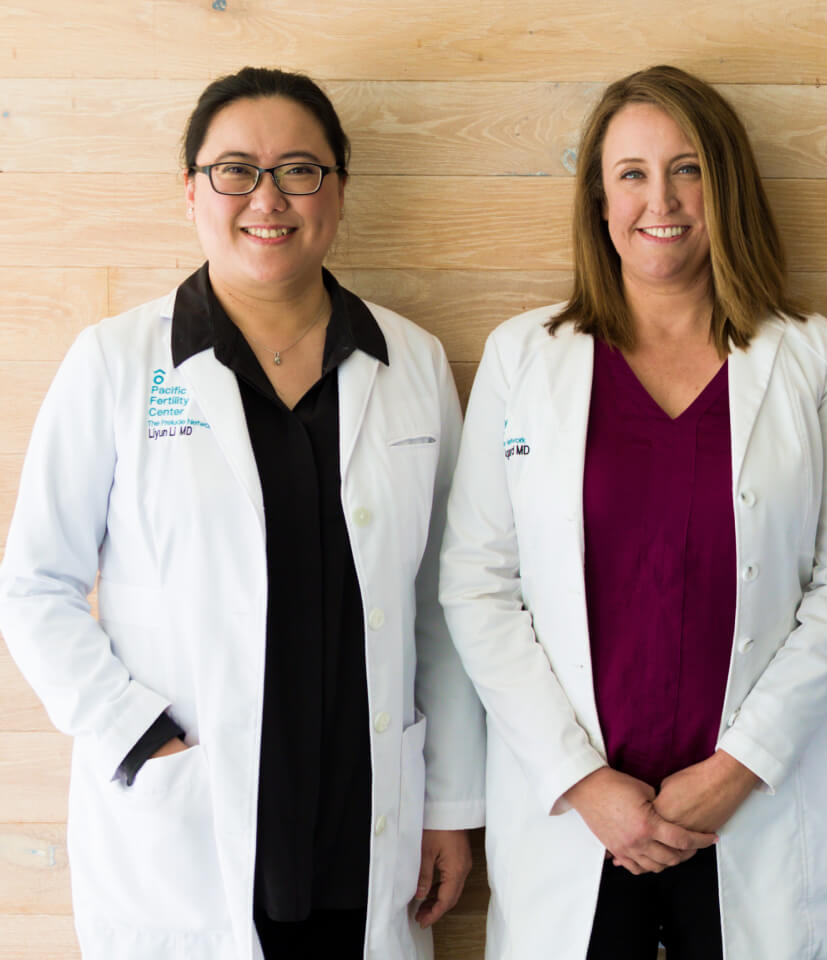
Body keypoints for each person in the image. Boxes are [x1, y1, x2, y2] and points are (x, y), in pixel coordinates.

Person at [0, 67, 485, 960]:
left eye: (300, 170)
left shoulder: (411, 363)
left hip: (366, 824)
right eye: (235, 170)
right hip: (190, 818)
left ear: (337, 191)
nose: (268, 197)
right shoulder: (117, 363)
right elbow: (34, 586)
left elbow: (440, 606)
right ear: (191, 191)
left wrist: (451, 805)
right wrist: (134, 734)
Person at [438, 64, 827, 960]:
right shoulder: (525, 357)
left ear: (725, 189)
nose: (661, 199)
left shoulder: (809, 356)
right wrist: (583, 781)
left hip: (749, 809)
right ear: (599, 200)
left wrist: (739, 767)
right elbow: (476, 587)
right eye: (632, 173)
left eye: (687, 169)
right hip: (582, 819)